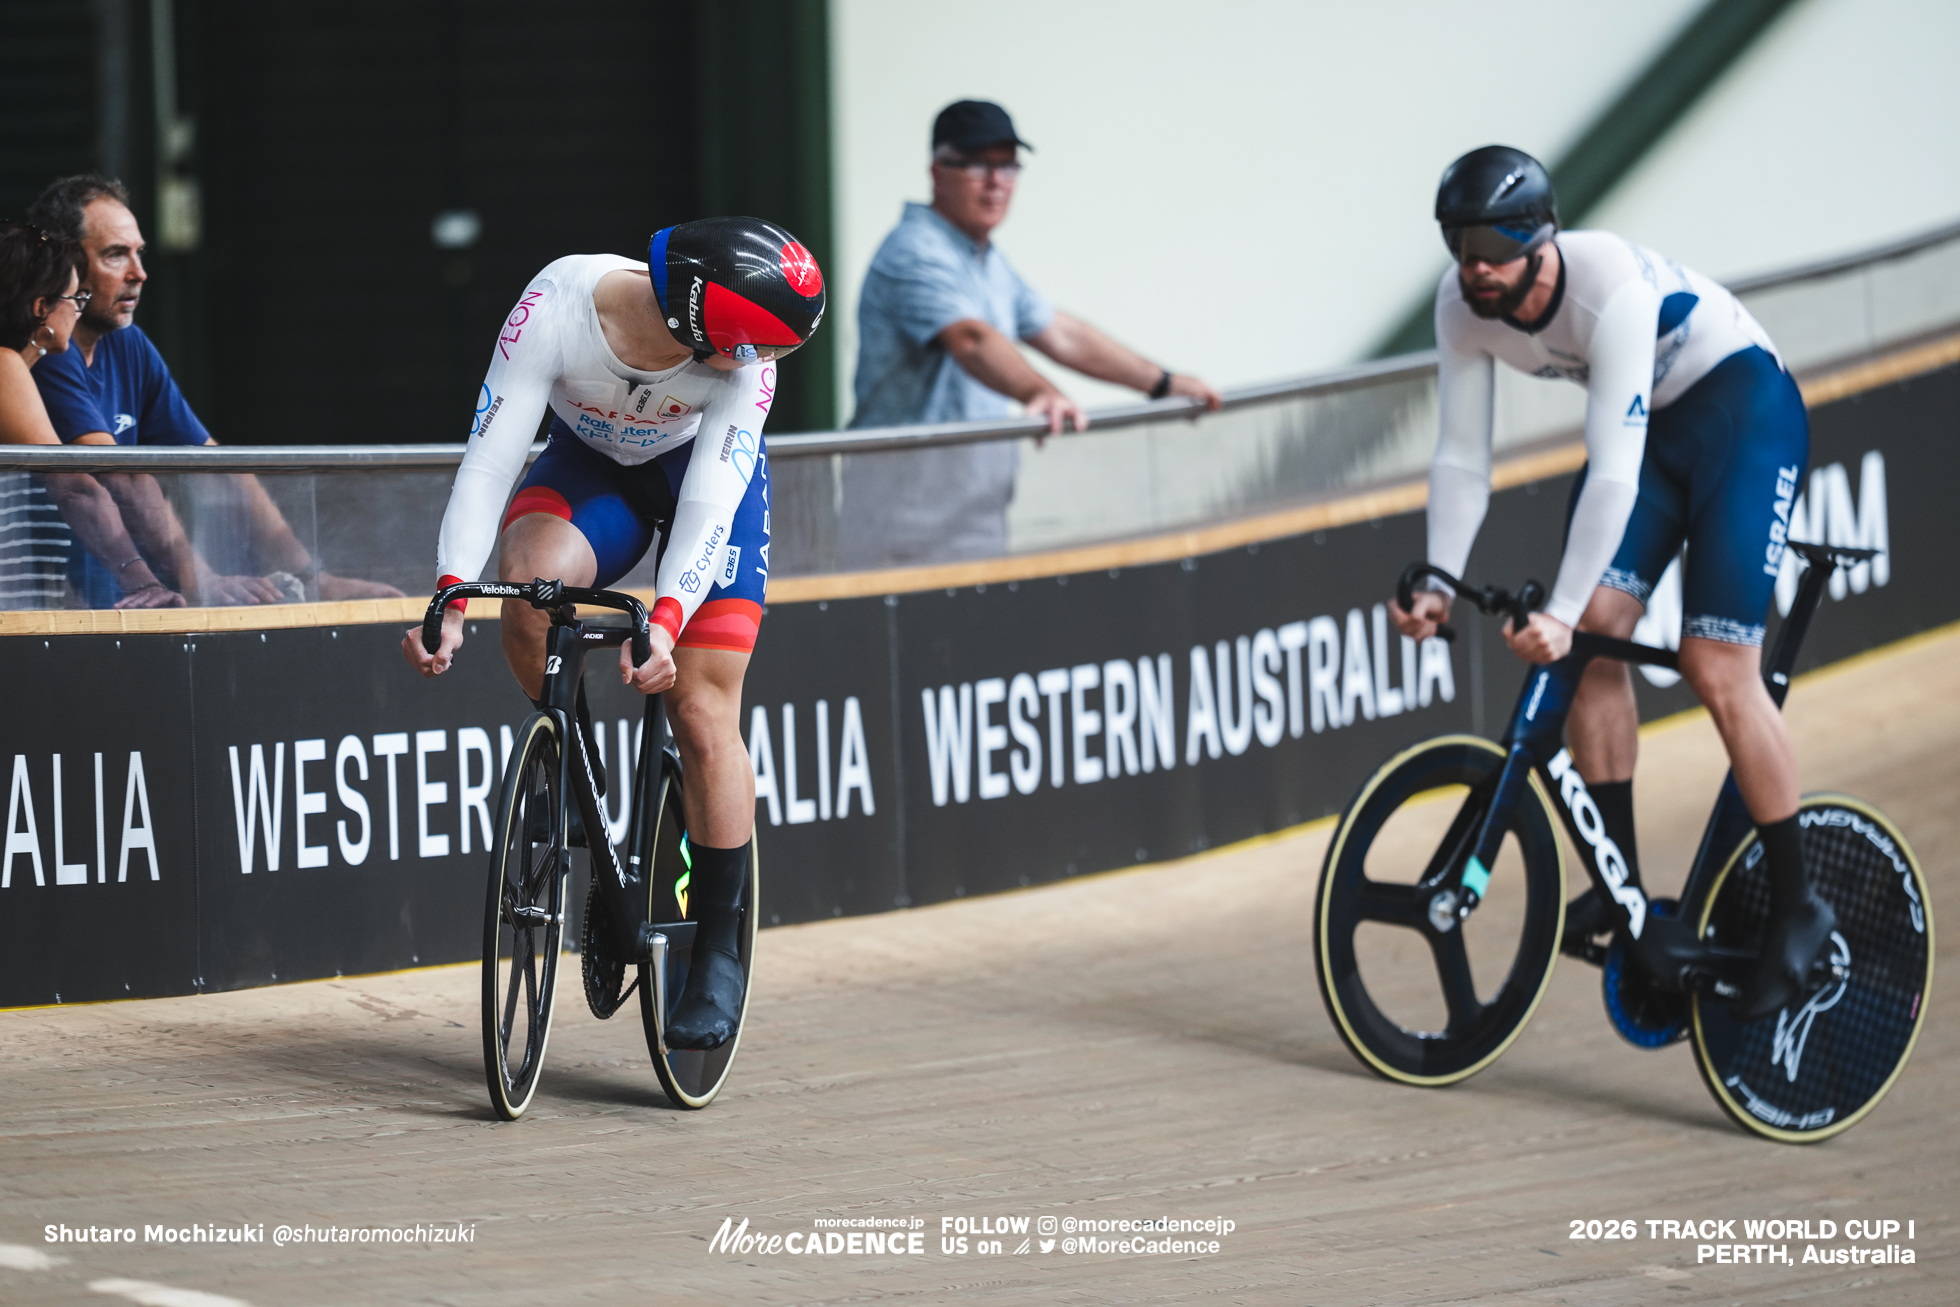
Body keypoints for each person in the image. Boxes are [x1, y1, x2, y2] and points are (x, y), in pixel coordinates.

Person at [1389, 145, 1826, 1021]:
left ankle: (1798, 904)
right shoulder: (1462, 304)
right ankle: (1617, 883)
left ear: (1538, 241)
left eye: (1488, 248)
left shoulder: (1609, 289)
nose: (1471, 268)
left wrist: (1554, 611)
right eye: (1456, 247)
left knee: (1715, 664)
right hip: (1660, 432)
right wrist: (1439, 579)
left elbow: (1614, 472)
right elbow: (1461, 457)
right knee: (1591, 638)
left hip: (1743, 412)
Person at [402, 217, 825, 1051]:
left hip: (705, 481)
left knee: (702, 711)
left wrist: (667, 619)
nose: (758, 367)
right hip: (593, 468)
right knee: (529, 590)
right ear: (707, 336)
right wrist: (450, 590)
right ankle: (580, 773)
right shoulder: (557, 302)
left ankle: (717, 948)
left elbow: (707, 507)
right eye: (749, 352)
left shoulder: (745, 370)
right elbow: (492, 456)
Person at [840, 99, 1221, 566]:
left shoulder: (986, 260)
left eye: (1007, 165)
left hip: (970, 520)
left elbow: (1060, 332)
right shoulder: (915, 251)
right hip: (903, 527)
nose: (997, 181)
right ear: (938, 171)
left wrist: (1163, 383)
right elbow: (971, 340)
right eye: (979, 163)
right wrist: (1040, 392)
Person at [27, 174, 400, 606]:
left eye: (139, 254)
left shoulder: (129, 343)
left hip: (128, 599)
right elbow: (119, 477)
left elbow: (215, 467)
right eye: (115, 255)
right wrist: (198, 577)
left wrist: (311, 577)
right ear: (66, 265)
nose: (140, 273)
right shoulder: (47, 345)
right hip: (53, 605)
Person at [0, 220, 185, 608]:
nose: (79, 311)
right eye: (75, 299)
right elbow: (75, 487)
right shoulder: (4, 366)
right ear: (41, 309)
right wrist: (142, 583)